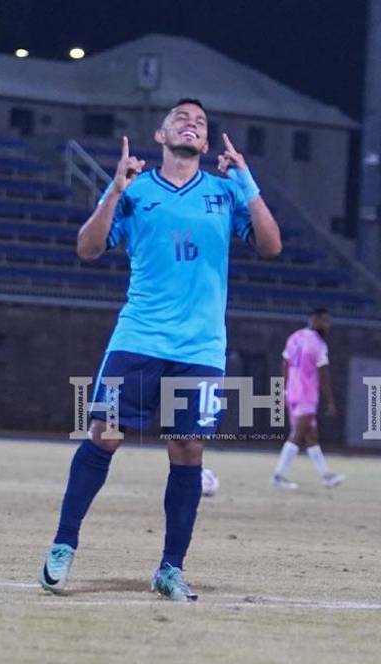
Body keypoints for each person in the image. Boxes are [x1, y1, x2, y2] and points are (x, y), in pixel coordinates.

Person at [38, 98, 282, 601]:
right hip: (140, 337)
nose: (193, 125)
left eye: (201, 123)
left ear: (206, 142)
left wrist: (248, 182)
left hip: (201, 347)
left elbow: (271, 245)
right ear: (160, 133)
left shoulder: (223, 192)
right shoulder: (137, 190)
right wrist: (114, 188)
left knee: (187, 448)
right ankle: (63, 545)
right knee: (105, 434)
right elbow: (87, 249)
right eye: (182, 119)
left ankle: (170, 567)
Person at [271, 307, 345, 489]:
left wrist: (283, 388)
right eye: (326, 321)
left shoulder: (294, 337)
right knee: (298, 435)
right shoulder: (318, 343)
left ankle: (326, 476)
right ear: (316, 320)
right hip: (306, 394)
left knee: (312, 436)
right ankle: (278, 476)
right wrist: (330, 401)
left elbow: (285, 363)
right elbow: (323, 374)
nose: (328, 325)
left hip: (292, 392)